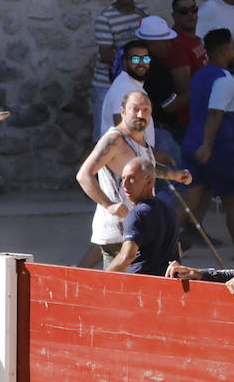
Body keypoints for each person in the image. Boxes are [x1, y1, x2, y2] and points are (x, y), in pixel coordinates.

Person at [180, 28, 234, 268]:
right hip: (217, 150)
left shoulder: (199, 74)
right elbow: (215, 114)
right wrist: (208, 145)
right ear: (226, 48)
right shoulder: (224, 80)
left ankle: (170, 251)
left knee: (192, 200)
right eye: (232, 45)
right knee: (233, 202)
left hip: (191, 144)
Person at [76, 90, 191, 268]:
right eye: (135, 109)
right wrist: (110, 205)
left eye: (145, 110)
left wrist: (174, 175)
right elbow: (84, 175)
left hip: (141, 228)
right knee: (118, 291)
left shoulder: (141, 140)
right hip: (117, 232)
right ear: (122, 112)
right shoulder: (113, 140)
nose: (140, 114)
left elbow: (147, 168)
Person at [104, 156, 179, 275]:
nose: (124, 185)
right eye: (123, 179)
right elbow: (178, 250)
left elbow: (127, 257)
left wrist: (102, 276)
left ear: (149, 180)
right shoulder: (170, 211)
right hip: (167, 283)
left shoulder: (136, 214)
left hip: (141, 284)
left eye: (131, 179)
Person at [90, 0, 146, 122]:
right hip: (107, 84)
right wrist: (138, 64)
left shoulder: (143, 13)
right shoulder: (105, 18)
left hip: (134, 82)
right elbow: (106, 55)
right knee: (104, 134)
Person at [135, 15, 185, 165]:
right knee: (176, 179)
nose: (169, 45)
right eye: (165, 42)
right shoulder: (156, 69)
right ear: (151, 44)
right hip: (157, 132)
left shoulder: (132, 60)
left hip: (139, 131)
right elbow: (169, 106)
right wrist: (194, 93)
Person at [166, 0, 207, 141]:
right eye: (184, 11)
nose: (190, 14)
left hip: (199, 115)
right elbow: (184, 90)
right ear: (174, 16)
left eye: (193, 9)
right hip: (187, 120)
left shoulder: (194, 39)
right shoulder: (177, 44)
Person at [99, 38, 155, 147]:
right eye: (135, 59)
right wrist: (153, 155)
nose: (141, 63)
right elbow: (123, 132)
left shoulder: (130, 84)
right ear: (125, 62)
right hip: (125, 161)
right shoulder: (125, 88)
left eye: (146, 59)